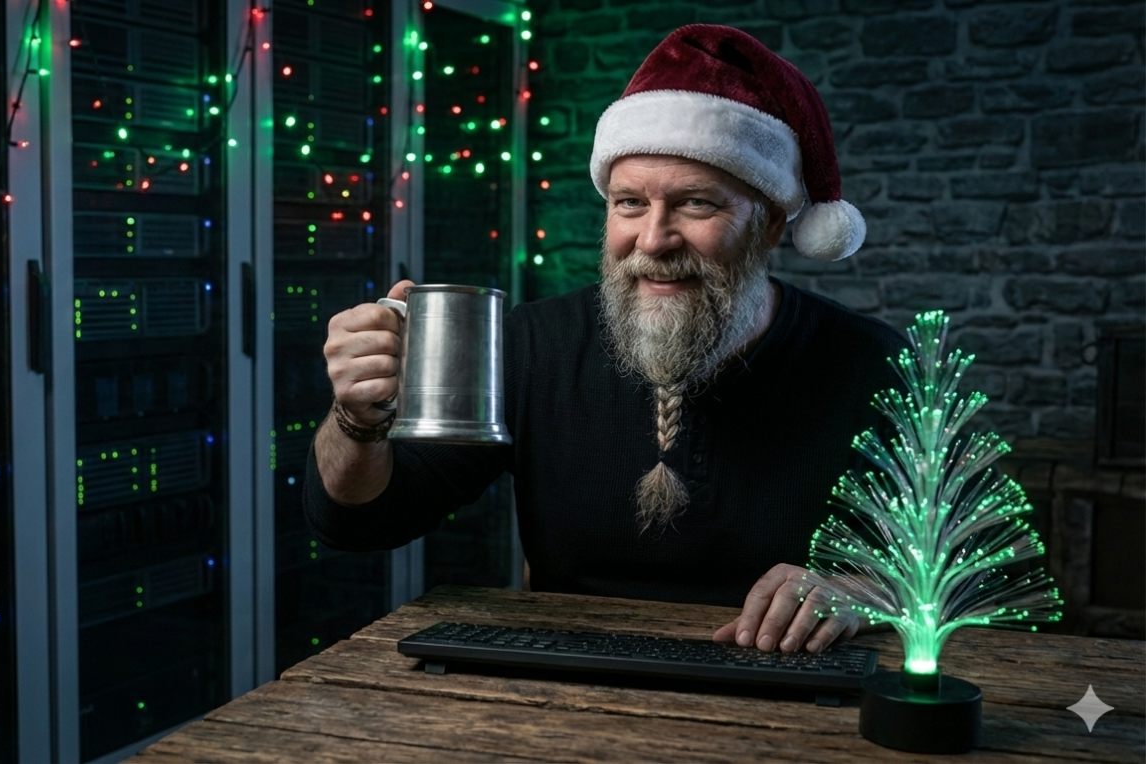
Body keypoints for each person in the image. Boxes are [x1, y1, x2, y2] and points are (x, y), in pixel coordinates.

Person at [306, 25, 907, 655]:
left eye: (696, 204)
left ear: (772, 224)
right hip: (563, 696)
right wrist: (358, 419)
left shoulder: (873, 364)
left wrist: (867, 593)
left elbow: (998, 574)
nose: (653, 239)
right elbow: (360, 520)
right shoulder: (534, 346)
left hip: (788, 700)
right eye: (628, 204)